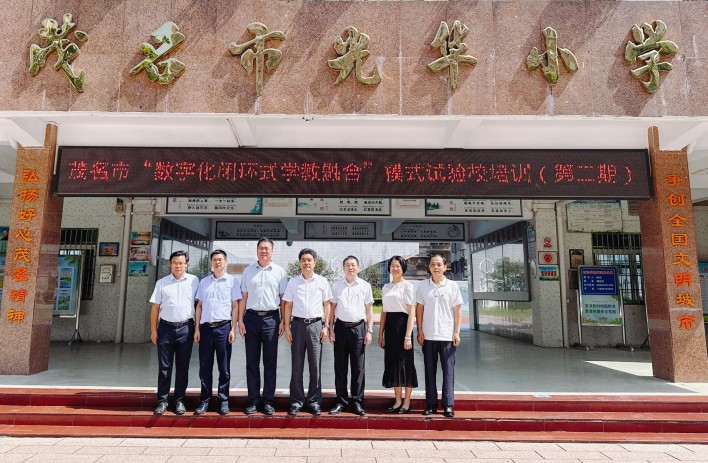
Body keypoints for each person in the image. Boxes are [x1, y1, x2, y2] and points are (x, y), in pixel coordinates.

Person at [238, 238, 288, 415]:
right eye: (261, 248)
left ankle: (268, 401)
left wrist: (283, 321)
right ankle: (253, 400)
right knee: (251, 362)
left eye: (267, 248)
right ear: (257, 250)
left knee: (270, 362)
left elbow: (283, 299)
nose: (264, 251)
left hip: (271, 319)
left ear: (272, 251)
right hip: (251, 319)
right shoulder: (248, 271)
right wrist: (240, 320)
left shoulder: (280, 272)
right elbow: (243, 297)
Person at [283, 248, 332, 416]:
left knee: (315, 366)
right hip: (297, 326)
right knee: (297, 366)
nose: (306, 262)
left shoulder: (322, 281)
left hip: (316, 326)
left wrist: (325, 326)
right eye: (303, 260)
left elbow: (327, 304)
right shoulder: (293, 282)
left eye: (309, 260)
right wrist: (287, 327)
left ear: (314, 262)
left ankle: (314, 401)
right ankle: (296, 401)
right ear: (300, 263)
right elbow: (288, 306)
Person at [149, 250, 199, 415]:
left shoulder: (194, 281)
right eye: (175, 263)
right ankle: (162, 401)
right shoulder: (161, 283)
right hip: (165, 329)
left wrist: (197, 329)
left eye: (181, 263)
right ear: (170, 264)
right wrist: (153, 330)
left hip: (186, 328)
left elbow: (199, 306)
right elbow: (155, 308)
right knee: (164, 367)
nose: (178, 266)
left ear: (186, 264)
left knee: (183, 367)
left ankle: (179, 400)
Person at [193, 250, 241, 416]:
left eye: (220, 260)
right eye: (215, 260)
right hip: (206, 328)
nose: (217, 262)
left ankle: (223, 401)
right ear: (211, 262)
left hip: (223, 328)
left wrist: (233, 328)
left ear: (225, 262)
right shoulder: (204, 282)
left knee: (224, 367)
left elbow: (235, 306)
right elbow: (199, 306)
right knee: (205, 367)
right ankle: (204, 401)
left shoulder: (232, 281)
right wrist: (197, 329)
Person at [416, 254, 463, 418]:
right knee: (429, 371)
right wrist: (420, 330)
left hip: (447, 336)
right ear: (429, 267)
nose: (436, 267)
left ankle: (448, 404)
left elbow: (457, 311)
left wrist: (456, 332)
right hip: (428, 336)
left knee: (448, 371)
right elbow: (419, 309)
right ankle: (431, 404)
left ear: (445, 267)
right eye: (432, 264)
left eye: (439, 264)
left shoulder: (452, 286)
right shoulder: (423, 286)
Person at [328, 256, 374, 416]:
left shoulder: (365, 286)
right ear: (343, 268)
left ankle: (357, 402)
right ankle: (341, 401)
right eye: (347, 265)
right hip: (340, 328)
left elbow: (369, 310)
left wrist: (369, 331)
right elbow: (332, 309)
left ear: (358, 267)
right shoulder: (336, 286)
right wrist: (330, 329)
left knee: (358, 368)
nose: (350, 268)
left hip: (358, 329)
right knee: (340, 367)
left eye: (353, 265)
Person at [379, 255, 418, 414]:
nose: (394, 268)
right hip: (390, 329)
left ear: (403, 268)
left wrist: (408, 336)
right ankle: (397, 401)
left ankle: (407, 401)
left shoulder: (408, 287)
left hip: (403, 327)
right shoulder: (386, 287)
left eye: (398, 266)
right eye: (392, 266)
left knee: (405, 364)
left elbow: (412, 312)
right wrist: (380, 334)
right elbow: (384, 312)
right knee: (393, 364)